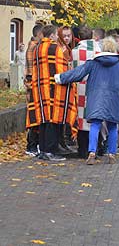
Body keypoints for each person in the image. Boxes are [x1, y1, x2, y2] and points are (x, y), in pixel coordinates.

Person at [55, 37, 119, 165]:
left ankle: (92, 152)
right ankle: (111, 153)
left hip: (95, 98)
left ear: (102, 49)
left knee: (95, 125)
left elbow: (77, 73)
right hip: (114, 100)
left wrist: (61, 77)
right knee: (113, 127)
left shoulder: (92, 63)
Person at [26, 24, 78, 161]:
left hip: (40, 89)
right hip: (54, 90)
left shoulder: (37, 48)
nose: (57, 37)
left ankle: (43, 150)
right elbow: (62, 68)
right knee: (53, 120)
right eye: (56, 34)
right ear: (52, 35)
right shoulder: (55, 48)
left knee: (43, 120)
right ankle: (50, 151)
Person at [71, 26, 101, 158]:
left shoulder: (74, 51)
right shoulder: (98, 50)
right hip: (96, 87)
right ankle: (96, 148)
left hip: (79, 88)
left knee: (81, 118)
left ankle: (82, 149)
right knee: (95, 117)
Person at [24, 23, 43, 156]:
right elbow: (31, 71)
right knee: (33, 117)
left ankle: (33, 145)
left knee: (35, 117)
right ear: (38, 34)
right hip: (32, 88)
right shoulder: (33, 48)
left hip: (33, 87)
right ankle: (31, 146)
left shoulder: (34, 46)